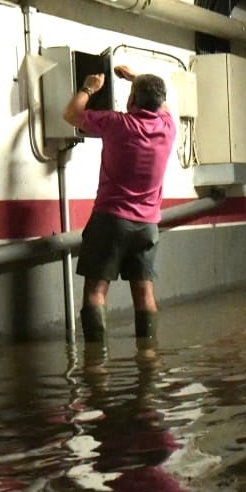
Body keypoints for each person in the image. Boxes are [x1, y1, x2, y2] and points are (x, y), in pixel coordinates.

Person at [63, 64, 176, 346]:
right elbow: (163, 104)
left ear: (132, 99)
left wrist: (89, 88)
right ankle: (149, 356)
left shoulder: (118, 123)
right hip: (148, 225)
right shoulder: (167, 127)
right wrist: (137, 78)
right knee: (144, 293)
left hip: (110, 220)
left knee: (96, 291)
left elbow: (71, 114)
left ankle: (96, 365)